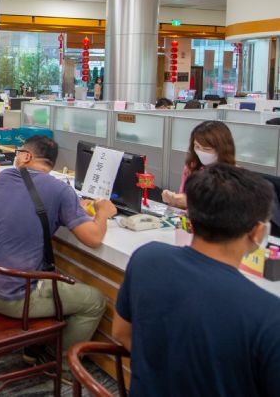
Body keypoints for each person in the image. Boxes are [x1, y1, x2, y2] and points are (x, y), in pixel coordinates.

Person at [113, 164, 280, 396]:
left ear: (189, 216)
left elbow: (120, 332)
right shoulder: (269, 314)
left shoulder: (147, 258)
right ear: (258, 232)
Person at [0, 135, 114, 361]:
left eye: (19, 152)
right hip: (10, 296)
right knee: (95, 301)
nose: (17, 157)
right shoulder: (61, 191)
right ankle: (61, 364)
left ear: (27, 156)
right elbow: (94, 237)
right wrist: (103, 213)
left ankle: (36, 347)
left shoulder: (6, 177)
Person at [163, 120, 235, 209]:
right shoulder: (191, 167)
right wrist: (173, 200)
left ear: (222, 149)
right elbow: (183, 199)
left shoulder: (235, 176)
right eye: (197, 146)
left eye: (207, 149)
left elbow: (228, 211)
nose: (201, 152)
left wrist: (191, 203)